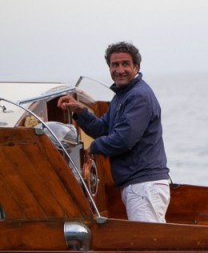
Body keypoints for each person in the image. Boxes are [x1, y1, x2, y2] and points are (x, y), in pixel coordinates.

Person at [58, 41, 171, 223]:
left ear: (136, 67)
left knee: (148, 244)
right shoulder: (123, 95)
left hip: (144, 186)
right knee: (149, 243)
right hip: (137, 185)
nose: (119, 70)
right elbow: (104, 128)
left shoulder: (138, 96)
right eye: (115, 65)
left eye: (125, 64)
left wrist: (94, 147)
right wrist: (81, 111)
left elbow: (124, 139)